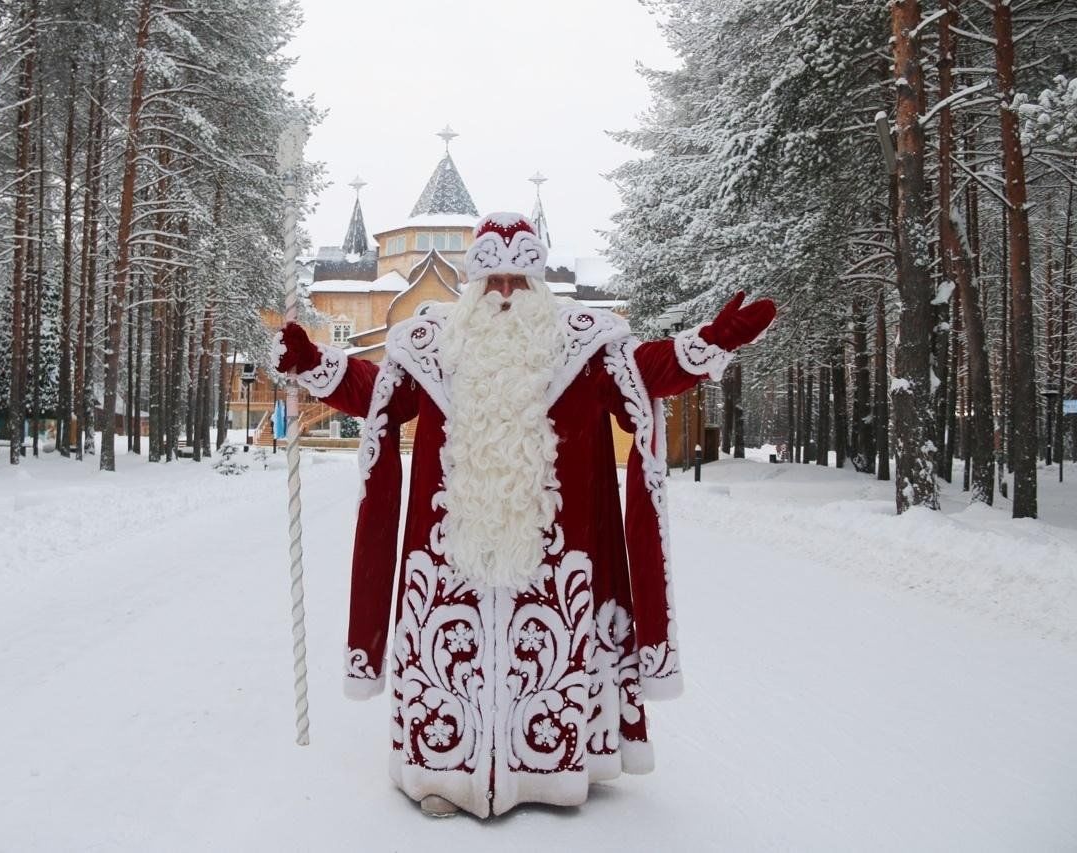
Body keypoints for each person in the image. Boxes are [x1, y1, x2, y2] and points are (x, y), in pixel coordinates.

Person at [272, 211, 775, 818]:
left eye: (518, 280)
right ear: (472, 286)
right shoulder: (431, 347)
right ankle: (441, 773)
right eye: (492, 281)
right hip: (446, 551)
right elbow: (372, 391)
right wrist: (311, 363)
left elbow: (646, 373)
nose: (505, 293)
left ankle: (550, 775)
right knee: (445, 662)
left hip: (555, 554)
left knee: (548, 662)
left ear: (538, 284)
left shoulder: (583, 346)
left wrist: (709, 345)